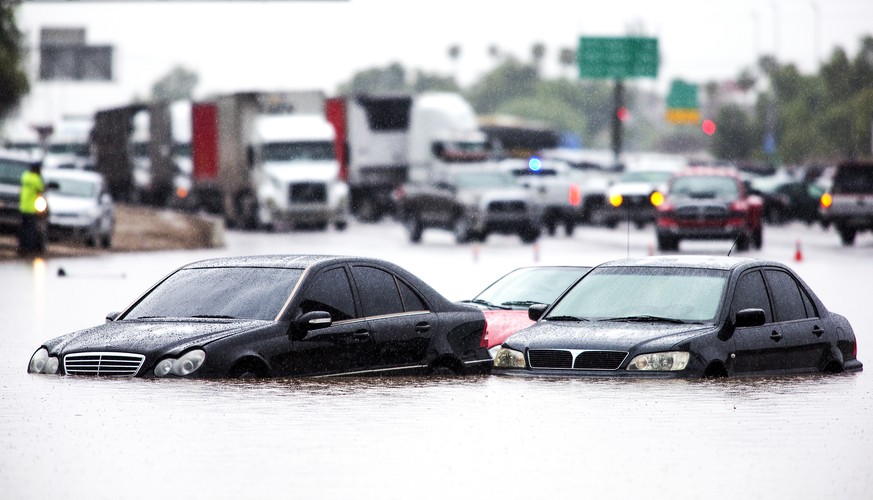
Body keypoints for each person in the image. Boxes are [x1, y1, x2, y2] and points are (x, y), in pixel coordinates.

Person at [18, 160, 45, 256]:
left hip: (23, 207)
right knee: (31, 230)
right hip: (31, 209)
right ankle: (29, 249)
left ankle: (21, 247)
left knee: (23, 229)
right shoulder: (36, 179)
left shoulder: (25, 176)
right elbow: (41, 188)